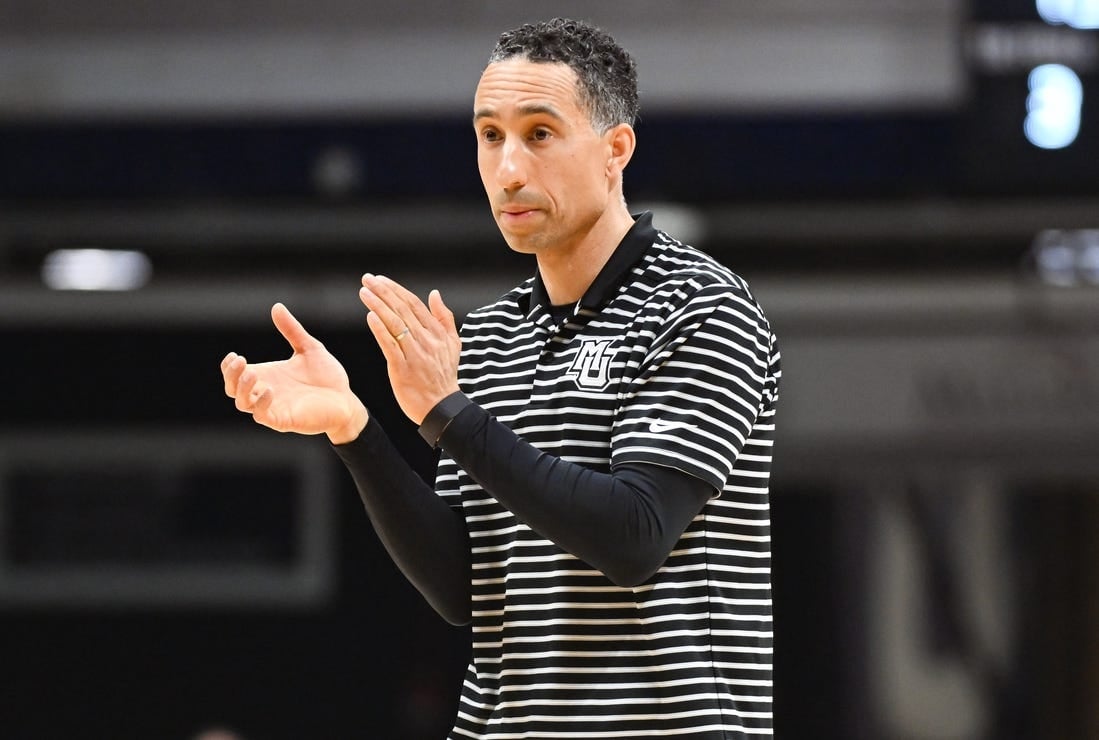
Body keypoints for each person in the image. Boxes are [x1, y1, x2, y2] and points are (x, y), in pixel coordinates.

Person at [221, 17, 781, 739]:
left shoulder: (701, 307)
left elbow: (634, 537)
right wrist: (354, 431)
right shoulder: (484, 339)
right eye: (490, 137)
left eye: (539, 134)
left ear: (616, 150)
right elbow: (465, 588)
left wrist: (450, 415)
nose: (508, 169)